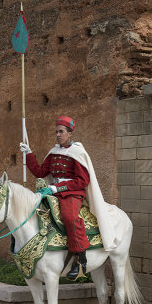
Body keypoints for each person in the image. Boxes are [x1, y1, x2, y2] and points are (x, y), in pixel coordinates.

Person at [20, 116, 119, 280]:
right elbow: (40, 172)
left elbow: (82, 181)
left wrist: (57, 187)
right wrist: (29, 154)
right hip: (53, 192)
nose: (58, 135)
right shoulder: (54, 153)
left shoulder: (77, 153)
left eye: (61, 131)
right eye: (56, 132)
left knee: (69, 217)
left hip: (72, 193)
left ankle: (81, 261)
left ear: (70, 133)